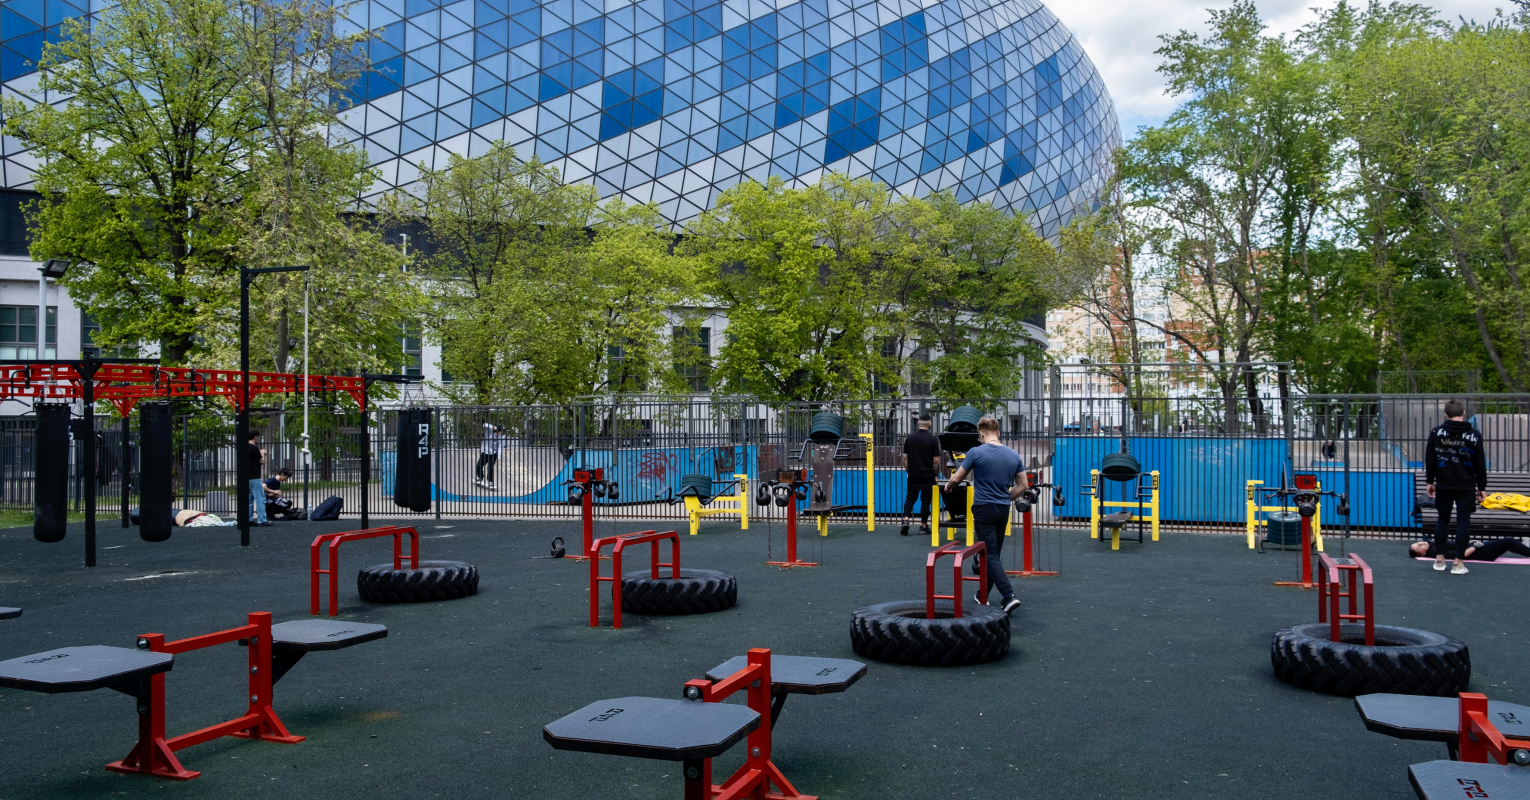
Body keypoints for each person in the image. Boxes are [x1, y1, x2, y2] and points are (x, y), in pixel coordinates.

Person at [943, 416, 1022, 613]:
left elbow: (957, 478)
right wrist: (1007, 497)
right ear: (999, 433)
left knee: (990, 554)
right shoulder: (1013, 455)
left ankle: (1009, 596)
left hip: (984, 507)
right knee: (992, 554)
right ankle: (982, 595)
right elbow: (1023, 485)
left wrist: (948, 485)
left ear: (981, 434)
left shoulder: (976, 452)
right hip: (1003, 508)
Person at [1424, 399, 1488, 575]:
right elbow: (1479, 462)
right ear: (1463, 413)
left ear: (1446, 414)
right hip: (1466, 484)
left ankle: (1439, 560)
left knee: (1442, 520)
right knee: (1463, 522)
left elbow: (1430, 459)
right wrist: (1481, 486)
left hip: (1444, 483)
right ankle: (1458, 563)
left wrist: (1430, 481)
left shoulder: (1436, 433)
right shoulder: (1474, 435)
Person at [899, 413, 942, 536]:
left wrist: (908, 471)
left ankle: (906, 519)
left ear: (918, 423)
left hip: (913, 474)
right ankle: (923, 526)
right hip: (928, 475)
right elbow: (936, 460)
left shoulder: (910, 438)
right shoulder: (933, 440)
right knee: (925, 501)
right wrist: (935, 474)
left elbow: (905, 457)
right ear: (930, 424)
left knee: (910, 498)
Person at [1409, 538, 1530, 562]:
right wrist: (1475, 546)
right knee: (1509, 541)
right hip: (1480, 553)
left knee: (1508, 544)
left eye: (1418, 543)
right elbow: (1460, 555)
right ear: (1422, 554)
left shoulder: (1432, 544)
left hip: (1477, 547)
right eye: (1419, 547)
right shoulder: (1434, 552)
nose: (1421, 543)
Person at [247, 431, 271, 527]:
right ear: (255, 437)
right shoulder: (254, 448)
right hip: (254, 476)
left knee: (249, 500)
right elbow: (261, 461)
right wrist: (262, 453)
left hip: (244, 477)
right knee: (260, 498)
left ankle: (248, 519)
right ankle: (262, 519)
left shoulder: (242, 447)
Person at [475, 423, 504, 490]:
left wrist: (499, 456)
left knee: (490, 468)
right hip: (485, 452)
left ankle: (490, 482)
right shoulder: (489, 431)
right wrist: (492, 426)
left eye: (499, 433)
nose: (498, 434)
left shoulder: (501, 438)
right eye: (497, 433)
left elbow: (500, 448)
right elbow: (484, 424)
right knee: (478, 466)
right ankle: (480, 477)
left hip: (493, 454)